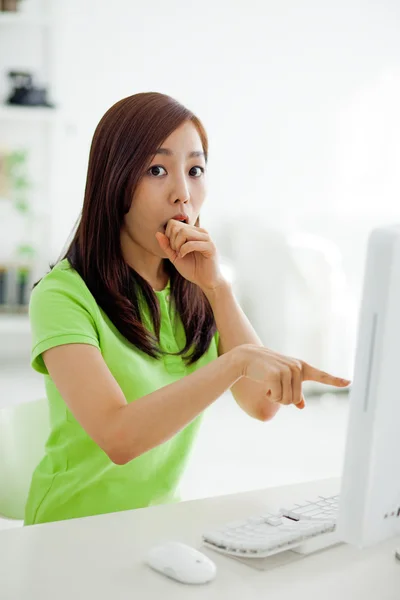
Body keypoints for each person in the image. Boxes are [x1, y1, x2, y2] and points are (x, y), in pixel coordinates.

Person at [24, 92, 350, 526]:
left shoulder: (194, 288)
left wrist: (217, 288)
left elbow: (261, 403)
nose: (183, 194)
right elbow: (118, 438)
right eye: (157, 170)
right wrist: (235, 362)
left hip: (159, 525)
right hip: (69, 531)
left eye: (195, 170)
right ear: (115, 180)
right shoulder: (62, 295)